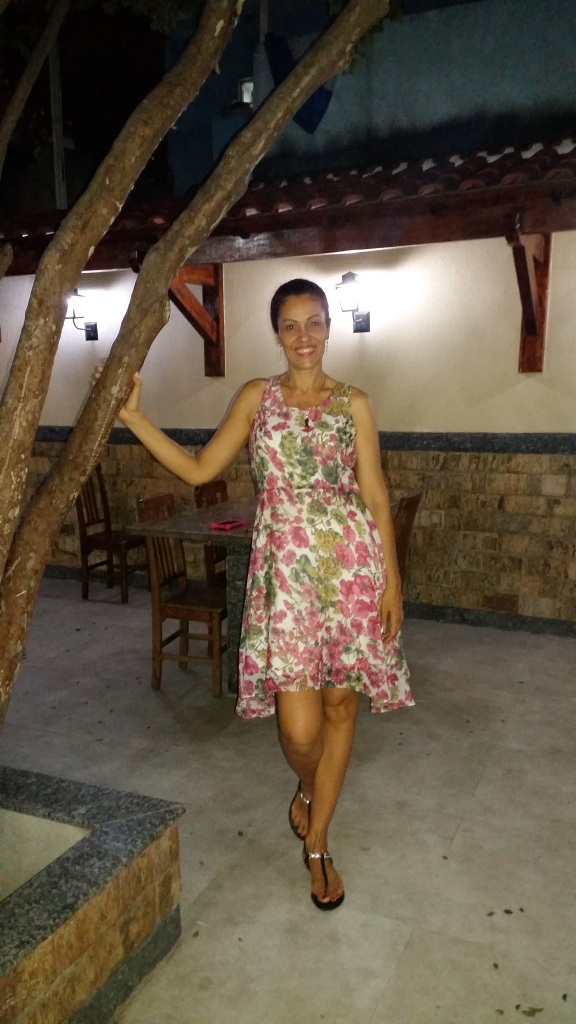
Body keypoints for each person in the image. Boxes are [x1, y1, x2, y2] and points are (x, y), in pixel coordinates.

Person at [116, 277, 414, 911]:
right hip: (287, 581)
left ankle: (319, 843)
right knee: (300, 731)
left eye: (314, 323)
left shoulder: (355, 404)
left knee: (340, 708)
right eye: (290, 325)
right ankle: (309, 786)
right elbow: (200, 468)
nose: (304, 336)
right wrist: (135, 418)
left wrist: (392, 581)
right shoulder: (258, 397)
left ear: (329, 327)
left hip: (351, 574)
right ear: (277, 334)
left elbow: (375, 494)